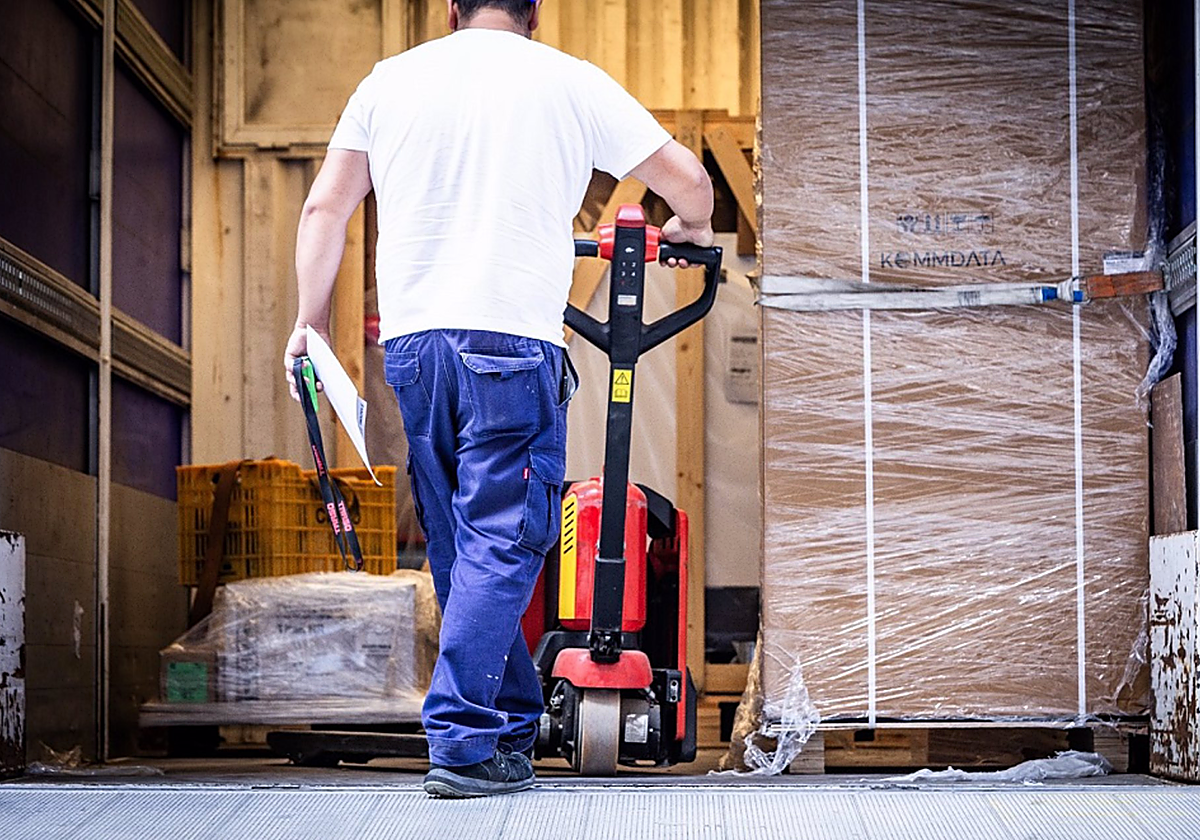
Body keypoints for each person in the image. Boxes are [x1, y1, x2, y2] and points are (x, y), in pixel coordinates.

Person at [284, 0, 714, 798]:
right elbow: (688, 180)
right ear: (536, 13)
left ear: (452, 9)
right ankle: (459, 739)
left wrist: (309, 324)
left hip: (414, 348)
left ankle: (512, 723)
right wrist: (691, 226)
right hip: (510, 345)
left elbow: (325, 208)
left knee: (459, 546)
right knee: (505, 541)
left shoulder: (389, 81)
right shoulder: (568, 81)